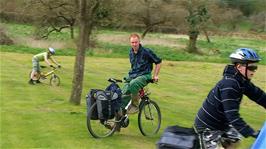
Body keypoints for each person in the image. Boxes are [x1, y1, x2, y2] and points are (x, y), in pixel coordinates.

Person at [194, 48, 266, 149]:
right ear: (239, 66)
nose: (253, 71)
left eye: (255, 68)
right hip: (208, 127)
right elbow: (232, 115)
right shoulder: (230, 85)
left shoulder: (241, 81)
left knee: (235, 138)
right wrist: (251, 132)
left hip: (223, 123)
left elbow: (259, 95)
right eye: (251, 68)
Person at [121, 33, 162, 114]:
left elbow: (159, 62)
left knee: (133, 84)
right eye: (132, 42)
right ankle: (121, 112)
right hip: (134, 75)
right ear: (130, 43)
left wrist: (156, 75)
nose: (134, 44)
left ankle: (135, 106)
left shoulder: (146, 52)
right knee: (123, 91)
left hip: (145, 75)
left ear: (139, 41)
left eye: (136, 42)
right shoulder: (131, 52)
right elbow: (133, 67)